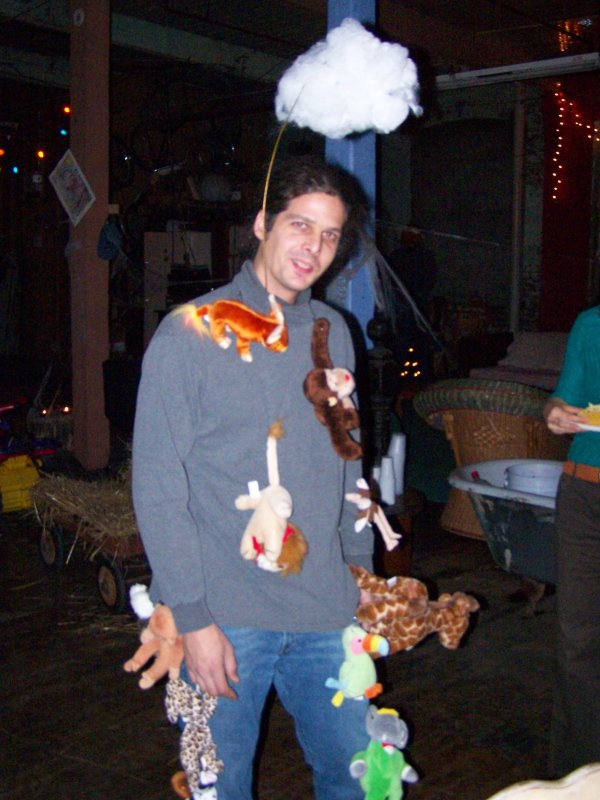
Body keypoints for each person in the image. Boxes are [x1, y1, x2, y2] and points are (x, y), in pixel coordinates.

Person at [132, 156, 374, 799]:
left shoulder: (334, 333)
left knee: (358, 780)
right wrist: (192, 619)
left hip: (326, 610)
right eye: (300, 225)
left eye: (330, 234)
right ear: (263, 223)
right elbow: (158, 487)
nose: (314, 247)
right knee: (220, 787)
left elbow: (348, 457)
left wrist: (361, 572)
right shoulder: (189, 332)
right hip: (226, 617)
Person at [543, 304, 600, 777]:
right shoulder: (591, 324)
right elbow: (564, 399)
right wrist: (556, 413)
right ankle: (580, 775)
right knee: (577, 641)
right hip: (584, 493)